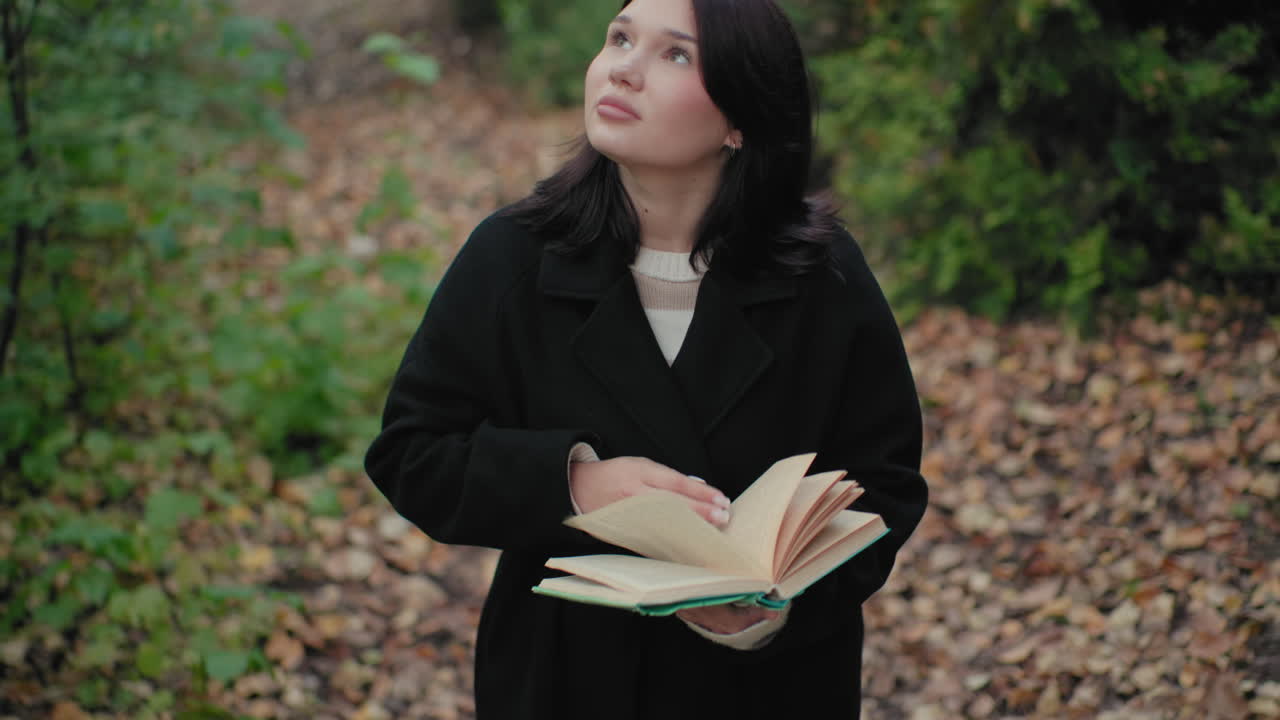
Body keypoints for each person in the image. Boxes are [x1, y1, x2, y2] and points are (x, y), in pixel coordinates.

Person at [364, 0, 928, 717]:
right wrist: (577, 484)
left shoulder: (823, 278)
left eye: (675, 54)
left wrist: (778, 611)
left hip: (771, 688)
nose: (623, 69)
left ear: (740, 118)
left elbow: (884, 485)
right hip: (566, 678)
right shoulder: (512, 256)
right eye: (620, 38)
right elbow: (412, 454)